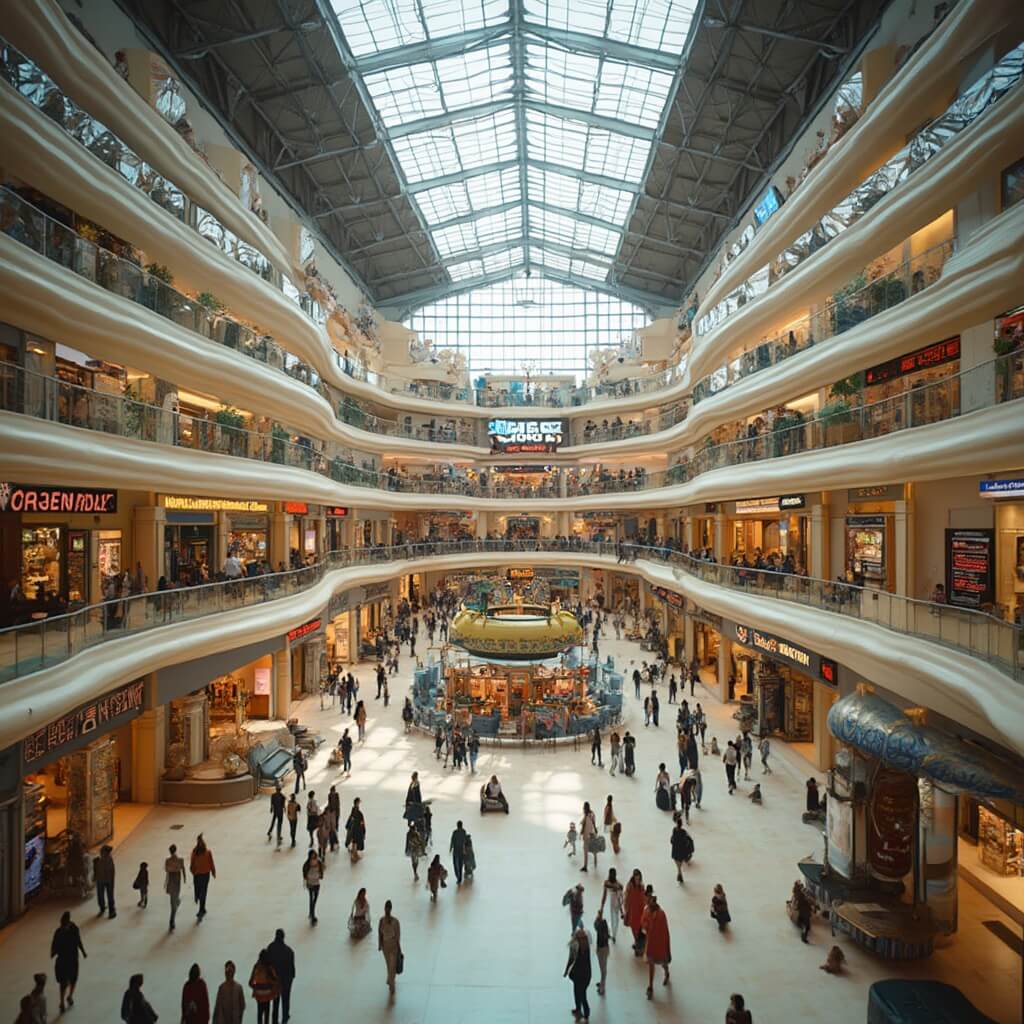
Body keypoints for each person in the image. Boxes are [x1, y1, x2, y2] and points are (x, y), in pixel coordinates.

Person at [51, 911, 86, 1012]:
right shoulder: (59, 931)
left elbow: (78, 941)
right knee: (63, 982)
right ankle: (62, 1001)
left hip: (71, 958)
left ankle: (69, 996)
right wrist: (53, 951)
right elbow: (54, 943)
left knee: (73, 979)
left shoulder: (74, 929)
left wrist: (83, 951)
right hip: (64, 959)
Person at [642, 895, 671, 998]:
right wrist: (645, 927)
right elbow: (644, 921)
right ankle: (650, 987)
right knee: (651, 964)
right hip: (651, 943)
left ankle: (667, 973)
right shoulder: (646, 910)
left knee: (663, 963)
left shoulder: (661, 914)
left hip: (659, 944)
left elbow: (665, 931)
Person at [564, 926, 592, 1020]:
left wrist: (566, 971)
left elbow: (571, 960)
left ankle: (581, 1010)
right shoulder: (586, 946)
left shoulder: (575, 946)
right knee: (582, 993)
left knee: (578, 992)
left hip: (578, 975)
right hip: (586, 975)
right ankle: (584, 1011)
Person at [377, 900, 402, 994]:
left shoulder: (395, 921)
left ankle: (391, 981)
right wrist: (380, 944)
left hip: (393, 945)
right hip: (385, 945)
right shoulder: (381, 920)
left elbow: (398, 935)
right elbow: (380, 933)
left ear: (390, 909)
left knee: (393, 965)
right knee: (389, 964)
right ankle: (391, 980)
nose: (387, 910)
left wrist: (399, 947)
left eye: (388, 908)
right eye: (386, 908)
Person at [247, 951, 279, 1024]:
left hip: (258, 994)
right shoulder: (269, 967)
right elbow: (275, 980)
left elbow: (250, 982)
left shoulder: (256, 966)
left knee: (260, 1012)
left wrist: (256, 987)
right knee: (267, 1013)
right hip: (267, 993)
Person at [190, 834, 216, 920]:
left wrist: (193, 872)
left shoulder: (195, 852)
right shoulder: (207, 852)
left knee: (199, 891)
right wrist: (213, 871)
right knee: (203, 891)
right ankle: (202, 908)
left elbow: (192, 864)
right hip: (205, 875)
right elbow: (211, 862)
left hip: (198, 875)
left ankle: (201, 909)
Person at [623, 869, 647, 954]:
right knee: (634, 928)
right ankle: (637, 942)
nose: (637, 880)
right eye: (636, 878)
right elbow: (626, 898)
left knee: (640, 928)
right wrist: (626, 908)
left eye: (639, 878)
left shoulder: (641, 886)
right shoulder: (630, 886)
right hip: (633, 910)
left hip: (640, 910)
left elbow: (643, 898)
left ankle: (639, 944)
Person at [165, 843, 186, 931]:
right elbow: (183, 868)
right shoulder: (180, 860)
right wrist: (185, 877)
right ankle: (172, 920)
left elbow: (167, 870)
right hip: (176, 881)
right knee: (174, 899)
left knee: (172, 902)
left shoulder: (168, 860)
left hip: (172, 881)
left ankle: (172, 920)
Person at [599, 868, 623, 943]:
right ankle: (613, 934)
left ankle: (613, 934)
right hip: (613, 902)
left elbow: (620, 897)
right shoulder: (609, 884)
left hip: (616, 902)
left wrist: (621, 909)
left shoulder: (617, 885)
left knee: (615, 919)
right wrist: (602, 907)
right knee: (614, 919)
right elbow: (604, 895)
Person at [93, 844, 116, 918]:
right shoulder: (98, 860)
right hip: (101, 881)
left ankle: (111, 910)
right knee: (101, 895)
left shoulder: (109, 860)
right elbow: (96, 870)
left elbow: (111, 871)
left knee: (109, 896)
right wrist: (95, 877)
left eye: (102, 851)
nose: (100, 852)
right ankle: (103, 908)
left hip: (107, 881)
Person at [302, 850, 323, 924]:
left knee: (315, 898)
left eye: (314, 855)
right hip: (310, 883)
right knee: (311, 898)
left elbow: (321, 869)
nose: (313, 856)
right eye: (312, 855)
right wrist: (305, 879)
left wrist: (321, 875)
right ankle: (312, 914)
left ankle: (311, 911)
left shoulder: (318, 862)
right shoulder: (307, 863)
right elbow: (304, 870)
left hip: (316, 882)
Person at [593, 909, 610, 996]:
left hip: (602, 949)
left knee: (603, 969)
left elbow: (596, 926)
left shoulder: (600, 927)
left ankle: (602, 987)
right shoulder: (604, 926)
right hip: (604, 949)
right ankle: (602, 983)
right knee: (603, 968)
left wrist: (598, 919)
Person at [580, 802, 598, 872]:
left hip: (587, 835)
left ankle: (585, 866)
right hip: (592, 834)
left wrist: (582, 833)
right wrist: (595, 830)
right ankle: (595, 862)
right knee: (593, 849)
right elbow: (593, 823)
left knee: (585, 850)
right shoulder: (592, 814)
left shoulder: (586, 816)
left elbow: (584, 826)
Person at [449, 820, 468, 884]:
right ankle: (459, 877)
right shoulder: (464, 831)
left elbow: (452, 840)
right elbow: (465, 841)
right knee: (460, 864)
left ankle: (458, 876)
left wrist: (451, 848)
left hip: (456, 850)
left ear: (457, 825)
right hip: (462, 850)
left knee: (455, 864)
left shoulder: (455, 832)